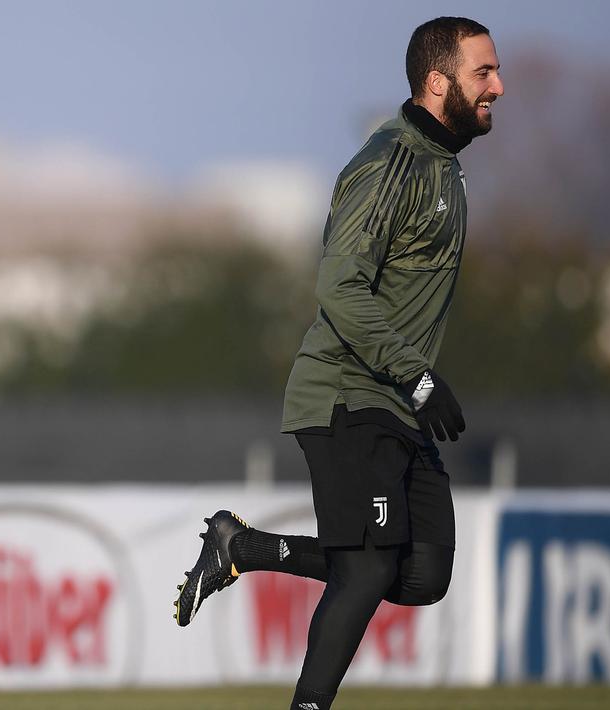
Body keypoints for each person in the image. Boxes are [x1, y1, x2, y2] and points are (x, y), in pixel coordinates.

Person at [174, 17, 502, 710]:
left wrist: (411, 384)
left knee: (421, 575)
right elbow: (338, 286)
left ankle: (245, 549)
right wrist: (414, 374)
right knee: (367, 568)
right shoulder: (389, 161)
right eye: (482, 74)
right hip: (348, 394)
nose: (497, 87)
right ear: (436, 82)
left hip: (395, 401)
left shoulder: (444, 165)